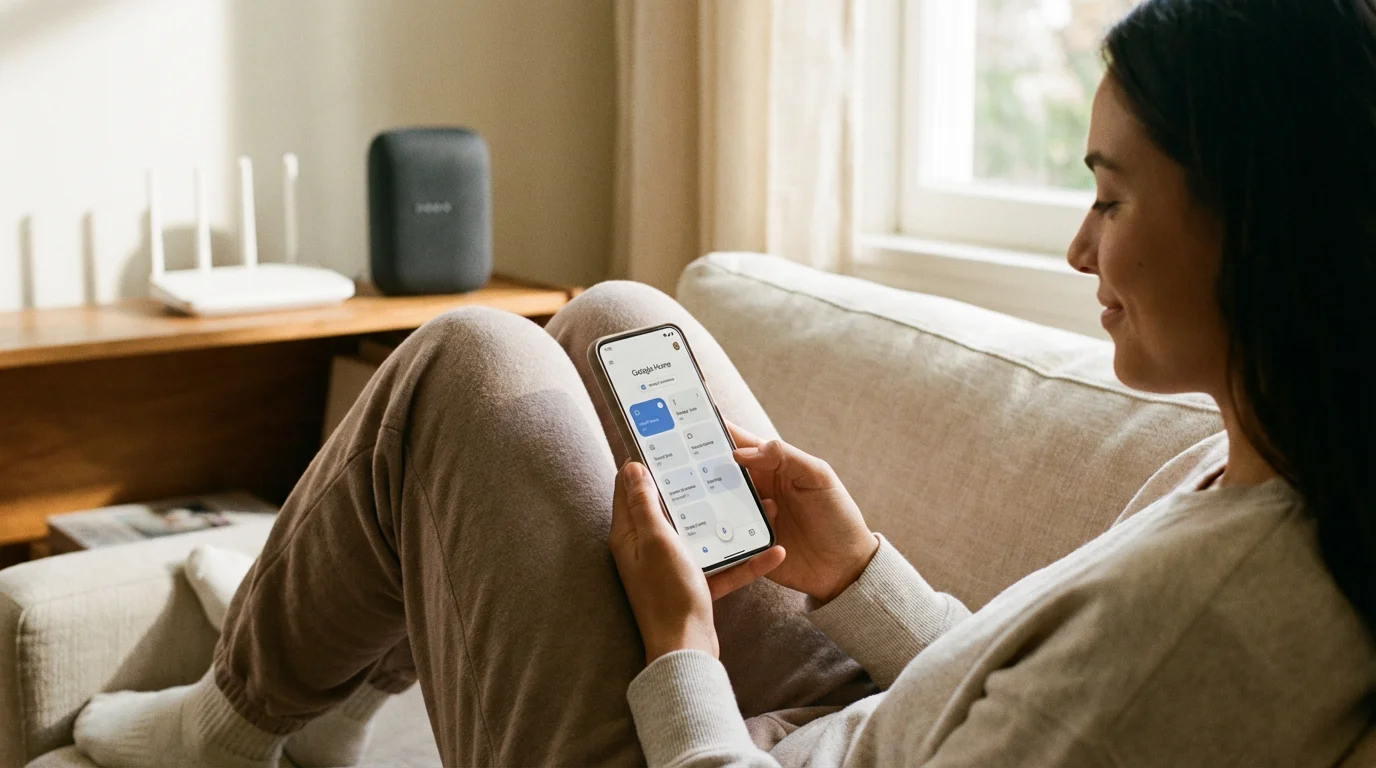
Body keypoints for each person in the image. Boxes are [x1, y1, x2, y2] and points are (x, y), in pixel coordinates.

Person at [73, 0, 1376, 765]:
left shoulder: (1212, 626)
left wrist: (680, 650)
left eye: (1109, 193)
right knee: (619, 322)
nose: (1079, 247)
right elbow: (1016, 700)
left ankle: (227, 728)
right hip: (851, 722)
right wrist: (861, 574)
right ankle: (325, 683)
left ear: (1263, 219)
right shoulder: (1267, 467)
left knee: (465, 359)